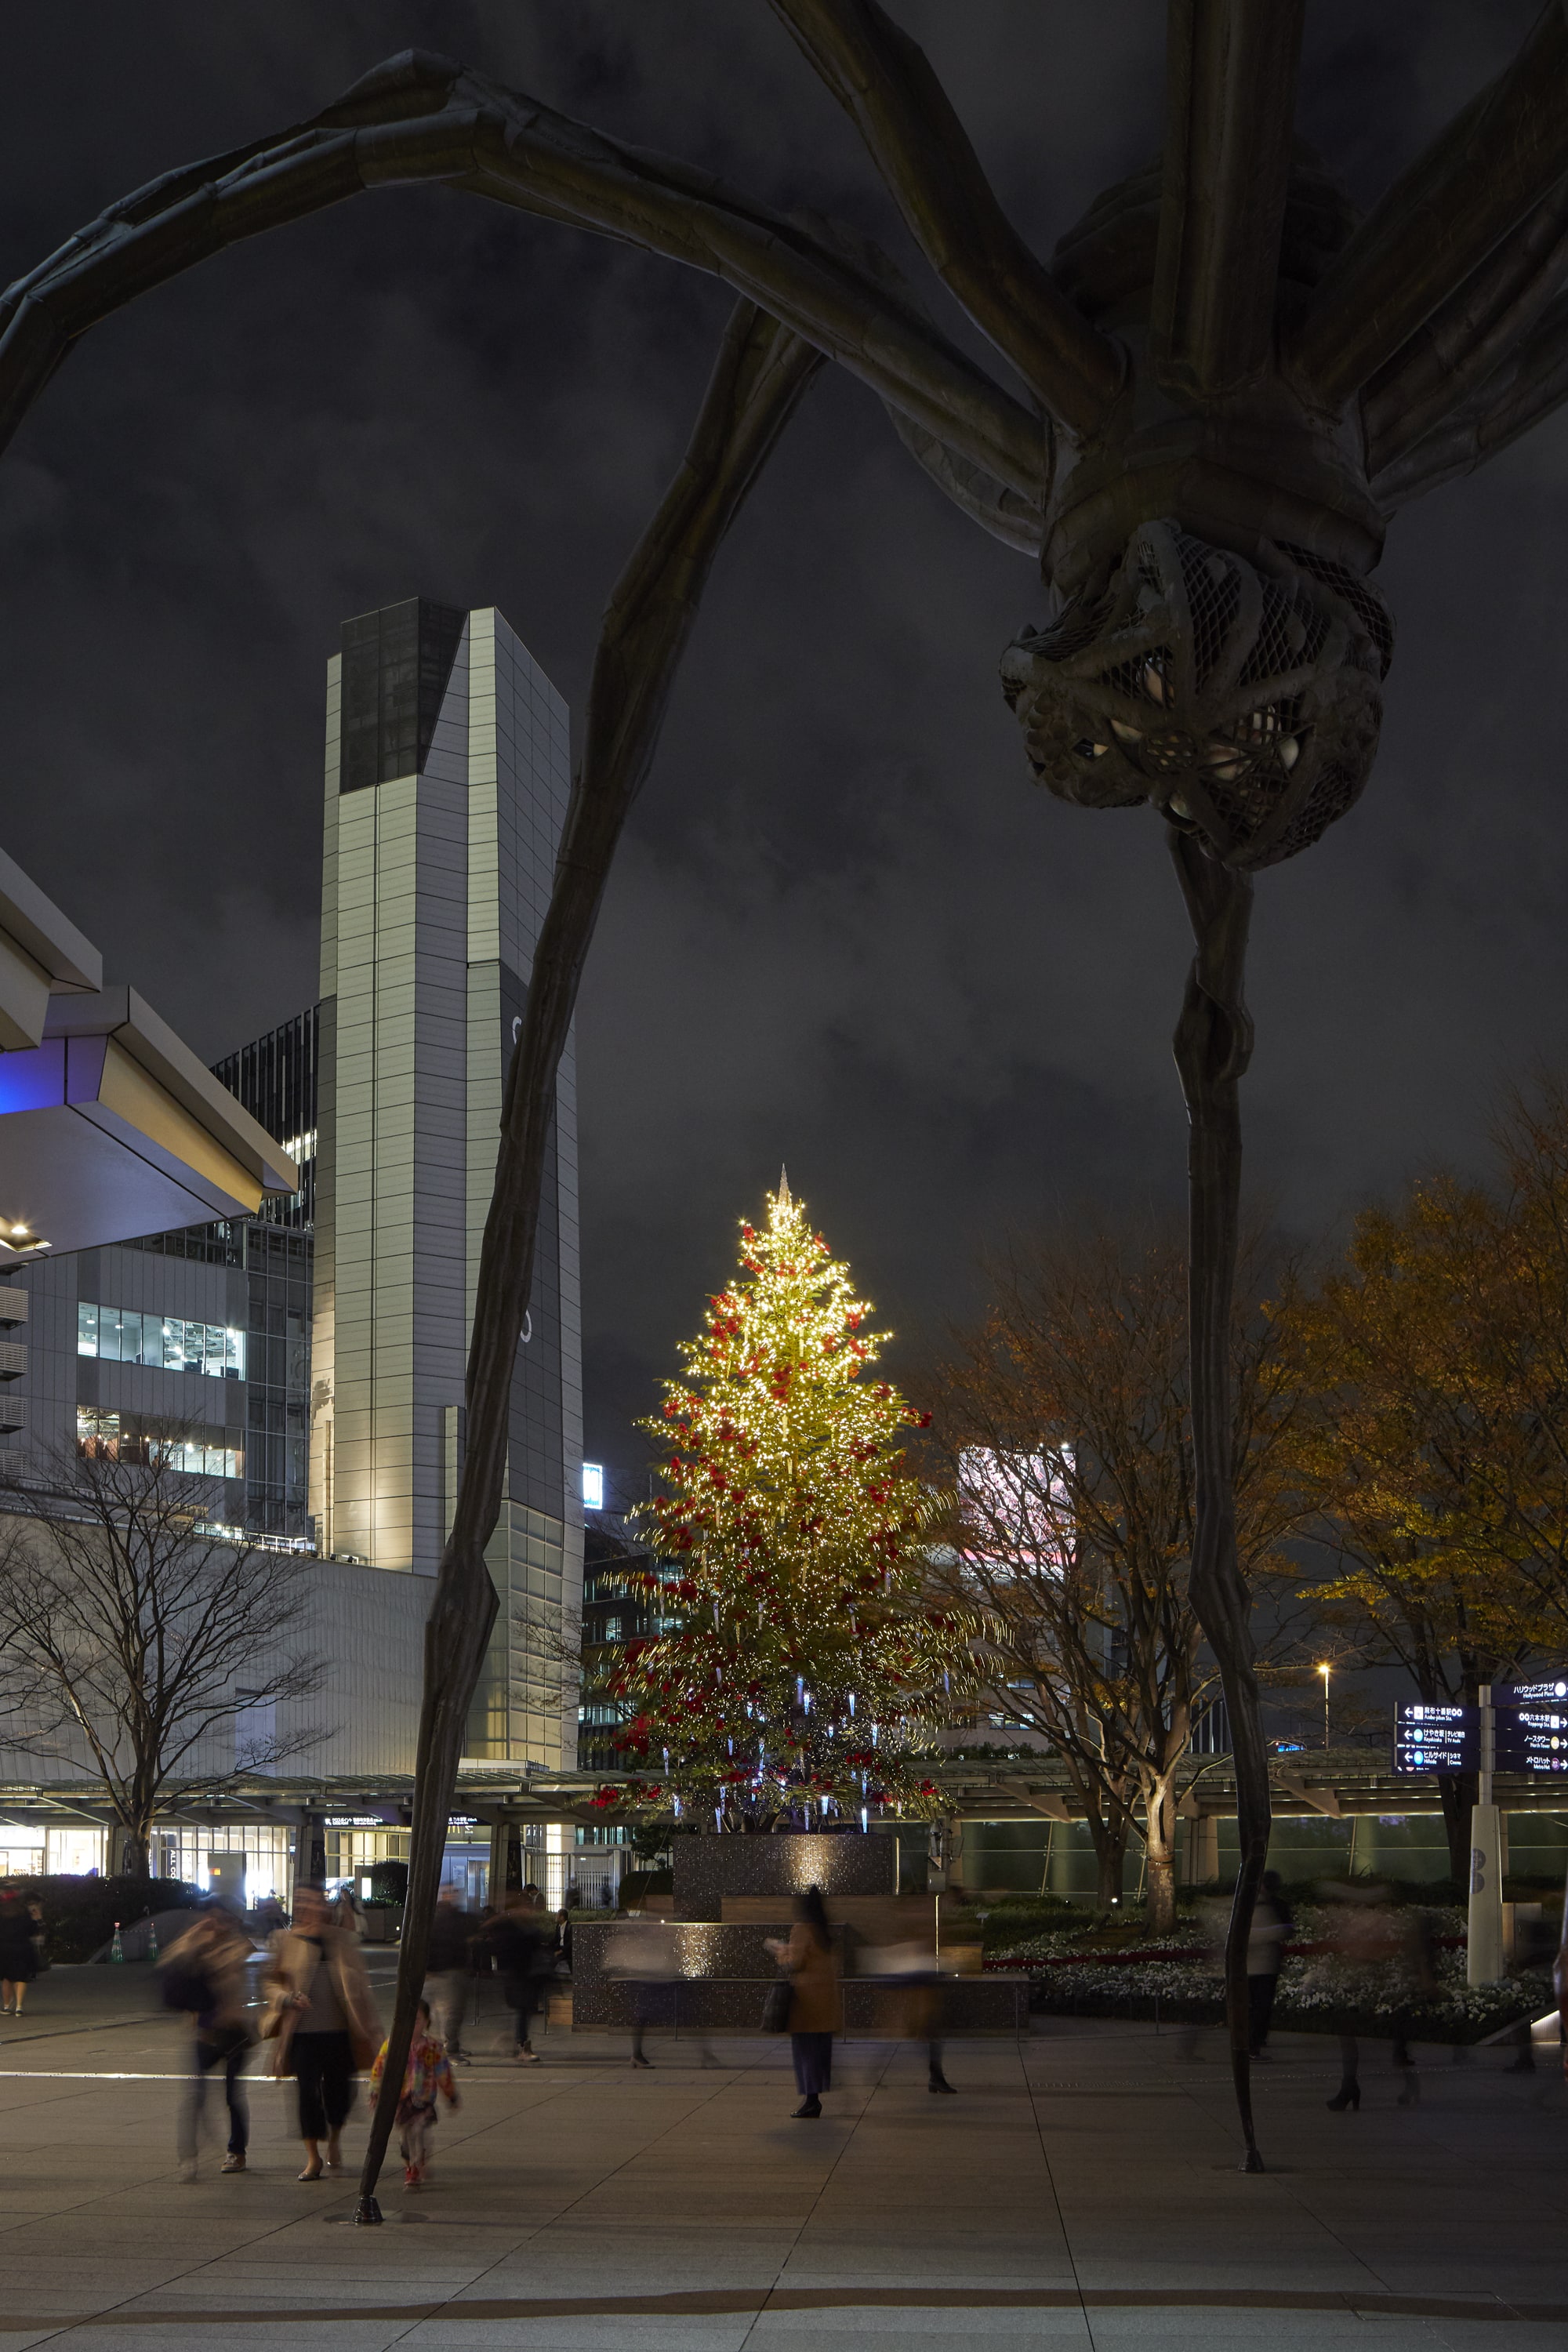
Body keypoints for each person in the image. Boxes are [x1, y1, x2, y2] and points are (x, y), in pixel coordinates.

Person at [265, 1882, 380, 2180]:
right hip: (302, 2032)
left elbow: (361, 1988)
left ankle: (335, 2140)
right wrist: (288, 1998)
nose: (312, 1907)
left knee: (339, 2092)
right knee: (306, 2093)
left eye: (317, 1901)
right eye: (305, 1902)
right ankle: (313, 2157)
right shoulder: (287, 1941)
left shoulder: (341, 1940)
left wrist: (372, 2027)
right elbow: (270, 1983)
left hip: (340, 2031)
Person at [161, 1907, 256, 2180]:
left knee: (232, 2096)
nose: (214, 1924)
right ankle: (188, 2157)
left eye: (221, 1919)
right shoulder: (195, 1944)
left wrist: (205, 1946)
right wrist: (193, 1937)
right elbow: (168, 1963)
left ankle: (236, 2152)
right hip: (203, 2034)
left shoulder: (236, 1947)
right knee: (196, 2096)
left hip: (233, 2033)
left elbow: (228, 1967)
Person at [766, 1886, 841, 2118]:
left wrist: (779, 1950)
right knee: (819, 2051)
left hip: (806, 2001)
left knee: (805, 2052)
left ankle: (811, 2100)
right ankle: (814, 2098)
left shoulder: (802, 1928)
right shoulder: (825, 1931)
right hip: (826, 2002)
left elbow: (794, 1964)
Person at [371, 1998, 459, 2188]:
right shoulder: (393, 2044)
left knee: (421, 2131)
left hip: (423, 2099)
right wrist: (375, 2091)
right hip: (401, 2099)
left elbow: (443, 2072)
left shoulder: (433, 2047)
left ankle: (420, 2160)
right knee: (405, 2135)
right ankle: (411, 2167)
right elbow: (379, 2067)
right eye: (408, 2019)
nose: (412, 2024)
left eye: (417, 2020)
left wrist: (451, 2095)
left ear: (427, 2021)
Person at [605, 1913, 677, 2068]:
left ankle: (637, 2055)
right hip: (643, 1981)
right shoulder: (633, 1940)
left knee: (643, 2017)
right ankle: (637, 2055)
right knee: (642, 2017)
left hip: (646, 1980)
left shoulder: (638, 1939)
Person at [484, 1890, 546, 2063]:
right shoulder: (512, 1927)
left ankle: (515, 2042)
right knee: (522, 2010)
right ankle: (520, 2045)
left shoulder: (523, 1926)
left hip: (525, 1974)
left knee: (523, 2011)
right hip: (517, 1974)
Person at [1246, 1871, 1294, 2058]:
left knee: (1258, 2005)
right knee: (1262, 2005)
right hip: (1265, 1964)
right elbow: (1287, 1930)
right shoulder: (1276, 1905)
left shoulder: (1253, 1905)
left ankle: (1254, 2041)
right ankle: (1255, 2041)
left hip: (1259, 1965)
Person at [426, 1885, 474, 2063]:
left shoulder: (450, 1917)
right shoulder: (442, 1919)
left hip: (449, 1970)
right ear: (443, 1896)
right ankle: (450, 2050)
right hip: (446, 1971)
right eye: (451, 1893)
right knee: (451, 2012)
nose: (455, 1896)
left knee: (450, 2012)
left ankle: (449, 2045)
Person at [0, 1891, 41, 2017]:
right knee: (21, 1978)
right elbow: (32, 1931)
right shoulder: (24, 1914)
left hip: (4, 1949)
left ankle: (7, 2006)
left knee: (6, 1979)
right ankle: (19, 2007)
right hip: (22, 1949)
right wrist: (37, 1919)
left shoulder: (1, 1914)